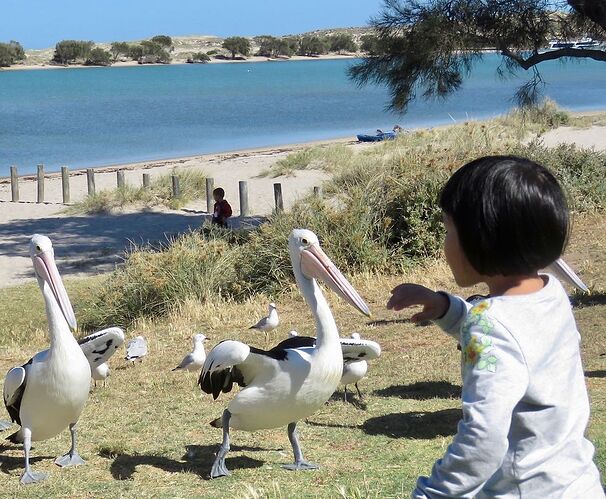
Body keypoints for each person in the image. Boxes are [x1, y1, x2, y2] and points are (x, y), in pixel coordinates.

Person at [386, 156, 604, 498]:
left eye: (448, 230)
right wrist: (447, 309)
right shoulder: (550, 293)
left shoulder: (489, 325)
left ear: (481, 237)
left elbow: (483, 437)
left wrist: (435, 494)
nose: (445, 245)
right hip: (576, 483)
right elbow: (515, 343)